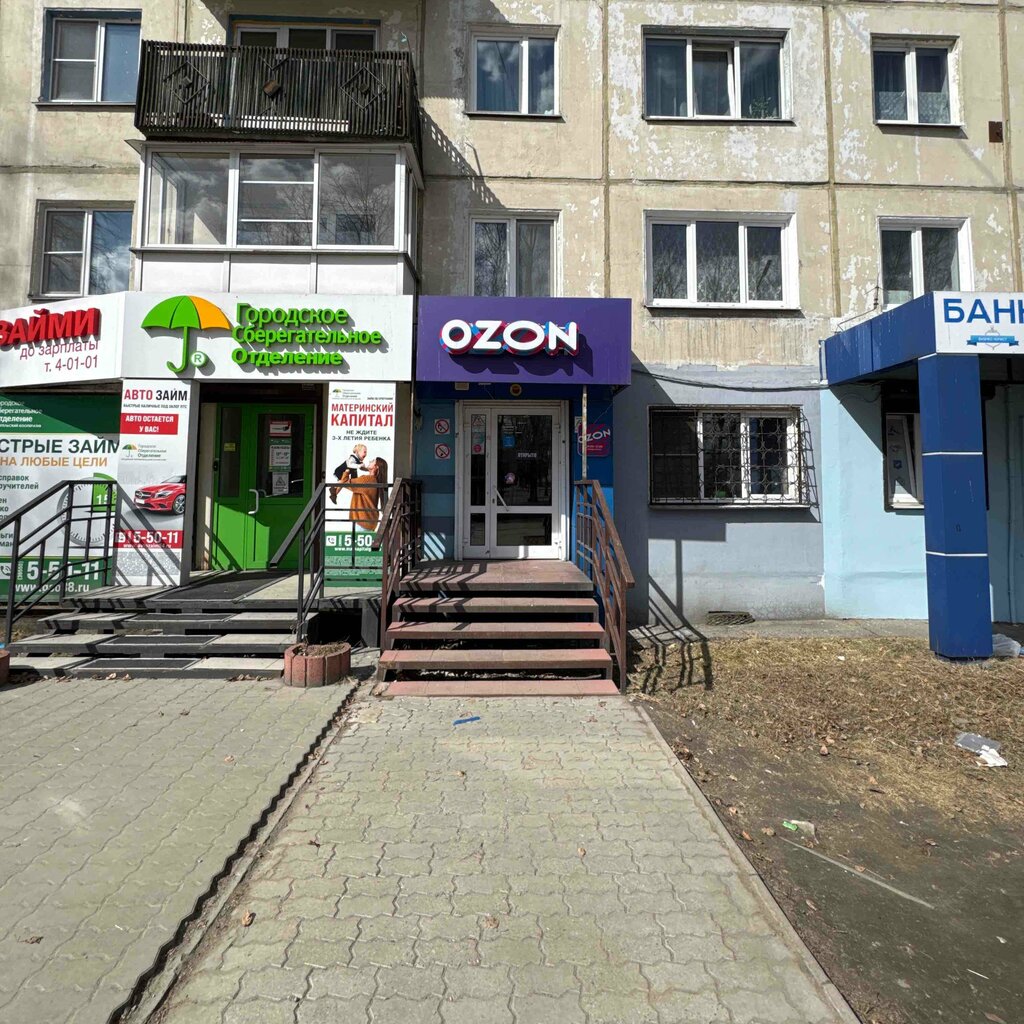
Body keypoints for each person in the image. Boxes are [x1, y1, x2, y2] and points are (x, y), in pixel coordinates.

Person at [343, 457, 388, 532]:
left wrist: (347, 470)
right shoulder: (374, 480)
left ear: (376, 467)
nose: (370, 461)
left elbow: (344, 483)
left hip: (362, 521)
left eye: (373, 461)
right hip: (370, 520)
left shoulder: (367, 480)